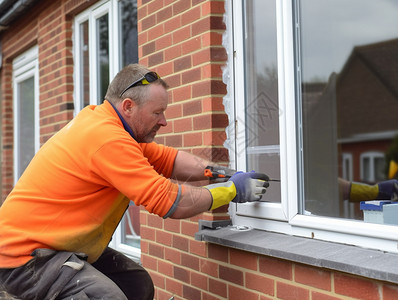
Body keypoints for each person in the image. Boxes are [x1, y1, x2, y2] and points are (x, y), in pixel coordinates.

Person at [0, 64, 269, 300]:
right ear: (128, 106)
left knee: (136, 286)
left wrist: (222, 174)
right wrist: (231, 190)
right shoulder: (106, 138)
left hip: (55, 247)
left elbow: (169, 159)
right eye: (157, 113)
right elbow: (169, 202)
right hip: (22, 259)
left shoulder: (111, 127)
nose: (164, 121)